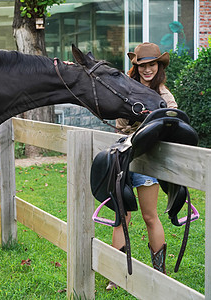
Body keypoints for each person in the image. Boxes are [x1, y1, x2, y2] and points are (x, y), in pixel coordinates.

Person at [106, 42, 177, 291]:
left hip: (147, 161)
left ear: (158, 66)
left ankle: (160, 272)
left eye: (152, 64)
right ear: (136, 67)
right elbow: (119, 124)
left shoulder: (163, 95)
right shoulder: (126, 90)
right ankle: (116, 274)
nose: (148, 70)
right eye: (143, 65)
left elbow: (173, 121)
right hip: (125, 158)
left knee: (149, 216)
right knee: (121, 217)